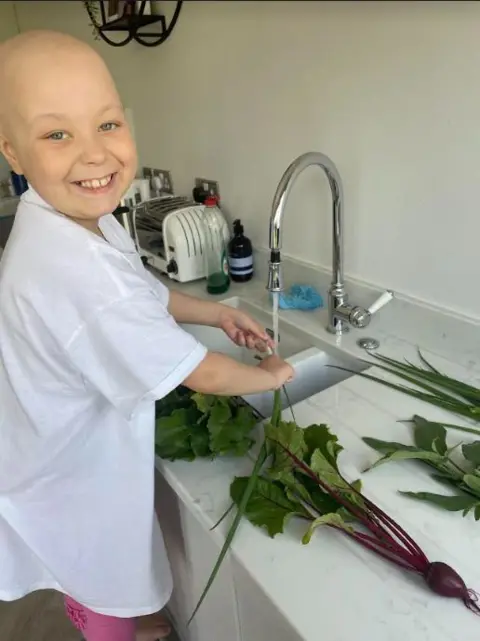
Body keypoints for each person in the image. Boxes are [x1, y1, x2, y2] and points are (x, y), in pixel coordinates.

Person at [0, 30, 294, 641]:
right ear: (13, 153)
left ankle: (115, 611)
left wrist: (215, 315)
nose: (93, 154)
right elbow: (201, 373)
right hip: (66, 473)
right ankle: (109, 625)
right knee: (96, 568)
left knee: (104, 562)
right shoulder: (69, 267)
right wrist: (269, 377)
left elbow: (143, 291)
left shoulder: (81, 220)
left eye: (107, 124)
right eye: (57, 134)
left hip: (58, 445)